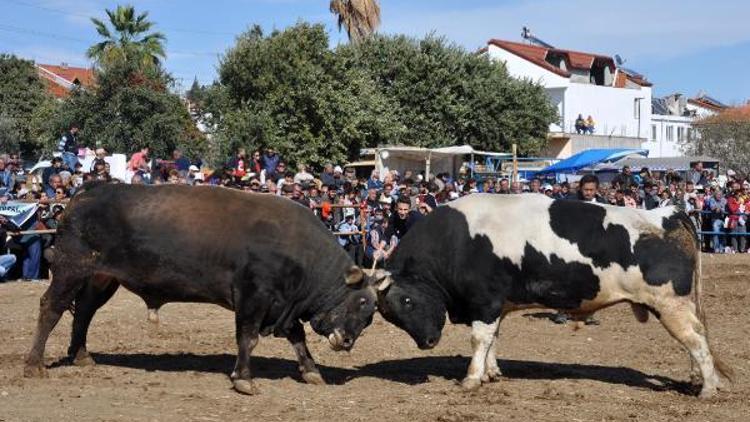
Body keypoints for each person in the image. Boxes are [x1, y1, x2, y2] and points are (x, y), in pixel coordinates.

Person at [707, 189, 727, 253]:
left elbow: (724, 209)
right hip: (714, 219)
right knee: (716, 233)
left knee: (722, 234)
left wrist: (719, 208)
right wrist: (718, 207)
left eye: (720, 194)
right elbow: (712, 208)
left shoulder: (724, 200)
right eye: (717, 194)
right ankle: (716, 248)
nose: (719, 196)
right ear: (714, 195)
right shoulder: (712, 199)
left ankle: (721, 248)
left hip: (722, 219)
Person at [0, 215, 17, 282]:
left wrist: (5, 221)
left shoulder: (3, 226)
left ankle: (2, 277)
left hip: (1, 255)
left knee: (13, 257)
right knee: (2, 271)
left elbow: (15, 228)